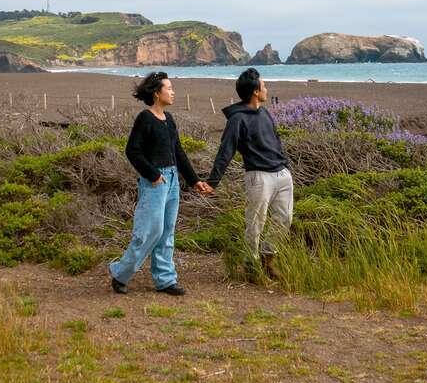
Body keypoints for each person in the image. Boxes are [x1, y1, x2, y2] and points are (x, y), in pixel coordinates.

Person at [109, 72, 212, 295]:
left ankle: (165, 280)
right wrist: (154, 175)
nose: (173, 91)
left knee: (167, 232)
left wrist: (194, 181)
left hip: (173, 180)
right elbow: (132, 151)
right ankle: (120, 273)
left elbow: (179, 152)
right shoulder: (145, 119)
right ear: (157, 93)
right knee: (148, 232)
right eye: (169, 88)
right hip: (155, 182)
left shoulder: (170, 119)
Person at [207, 68, 293, 279]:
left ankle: (268, 259)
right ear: (255, 91)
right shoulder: (237, 120)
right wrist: (212, 182)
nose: (266, 89)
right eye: (263, 86)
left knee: (285, 219)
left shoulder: (265, 113)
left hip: (281, 174)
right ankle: (251, 264)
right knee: (255, 223)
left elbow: (276, 141)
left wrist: (286, 166)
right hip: (258, 177)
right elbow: (225, 151)